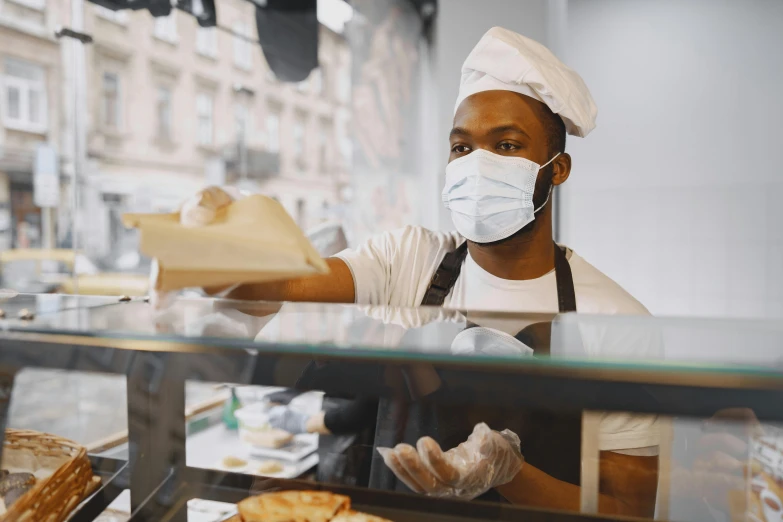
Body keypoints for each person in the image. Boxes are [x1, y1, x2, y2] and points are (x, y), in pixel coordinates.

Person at [154, 27, 659, 516]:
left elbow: (627, 510)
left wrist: (509, 475)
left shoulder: (615, 321)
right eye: (462, 147)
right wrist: (219, 234)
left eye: (506, 146)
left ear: (558, 168)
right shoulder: (411, 260)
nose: (477, 165)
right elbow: (279, 281)